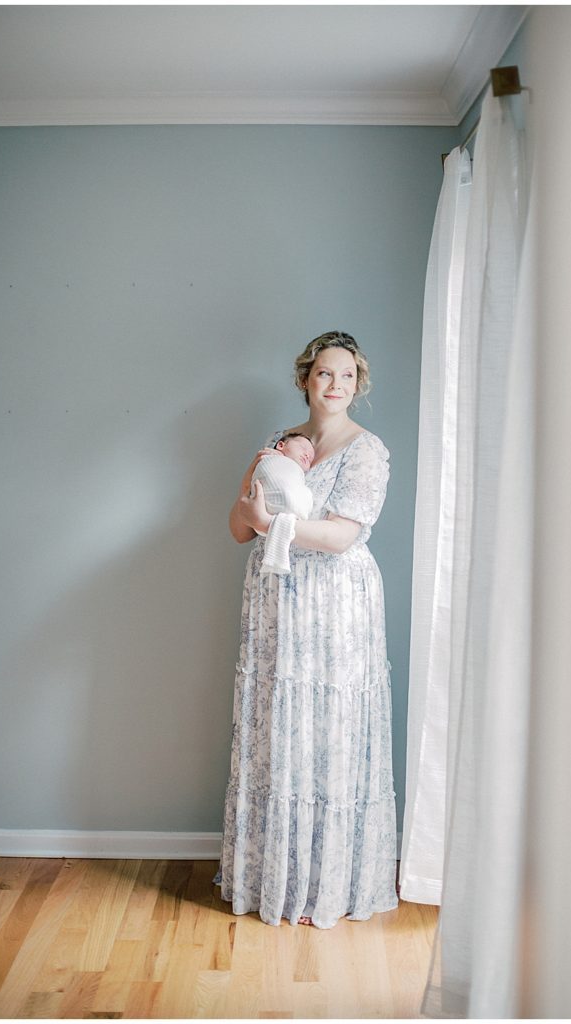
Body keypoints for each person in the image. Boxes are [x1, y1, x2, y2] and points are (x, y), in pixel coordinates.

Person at [215, 330, 398, 929]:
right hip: (277, 603)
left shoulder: (365, 450)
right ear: (305, 380)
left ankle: (327, 882)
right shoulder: (280, 447)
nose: (337, 385)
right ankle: (275, 879)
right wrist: (258, 510)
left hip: (334, 604)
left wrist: (273, 524)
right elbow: (241, 528)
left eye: (348, 376)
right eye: (325, 374)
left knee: (328, 729)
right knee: (278, 726)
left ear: (358, 384)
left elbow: (344, 535)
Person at [250, 432, 315, 574]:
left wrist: (263, 521)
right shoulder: (269, 457)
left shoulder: (296, 474)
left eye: (310, 458)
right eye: (303, 448)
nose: (307, 455)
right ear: (280, 445)